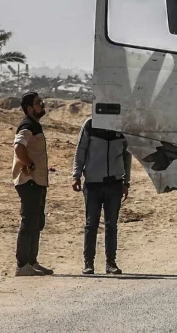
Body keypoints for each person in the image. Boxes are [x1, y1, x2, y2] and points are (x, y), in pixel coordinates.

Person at [72, 118, 132, 275]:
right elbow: (81, 150)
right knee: (91, 224)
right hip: (93, 183)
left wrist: (126, 181)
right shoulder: (90, 125)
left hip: (114, 183)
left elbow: (127, 155)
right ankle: (88, 264)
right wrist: (76, 175)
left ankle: (110, 263)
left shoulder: (121, 125)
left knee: (111, 225)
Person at [12, 92, 53, 277]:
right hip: (29, 181)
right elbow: (19, 147)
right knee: (29, 222)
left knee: (37, 222)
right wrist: (29, 164)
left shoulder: (35, 126)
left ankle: (31, 261)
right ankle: (22, 265)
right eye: (38, 103)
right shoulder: (27, 126)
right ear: (30, 108)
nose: (42, 105)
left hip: (38, 181)